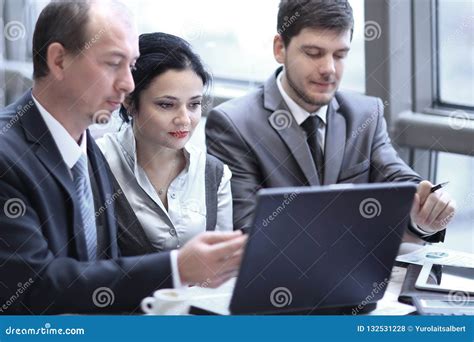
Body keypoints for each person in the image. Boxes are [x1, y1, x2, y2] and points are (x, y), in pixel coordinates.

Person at [0, 0, 246, 314]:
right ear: (59, 60)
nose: (128, 83)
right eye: (113, 63)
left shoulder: (86, 149)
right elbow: (36, 288)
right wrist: (176, 267)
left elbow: (98, 271)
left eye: (130, 66)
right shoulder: (8, 155)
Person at [205, 0, 455, 242]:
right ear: (280, 48)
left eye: (340, 55)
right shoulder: (233, 124)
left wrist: (425, 210)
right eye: (314, 53)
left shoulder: (365, 113)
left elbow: (398, 181)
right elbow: (248, 231)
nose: (329, 69)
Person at [97, 32, 233, 256]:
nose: (184, 119)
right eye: (166, 105)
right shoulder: (96, 162)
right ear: (130, 102)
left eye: (194, 105)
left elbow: (221, 263)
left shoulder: (214, 174)